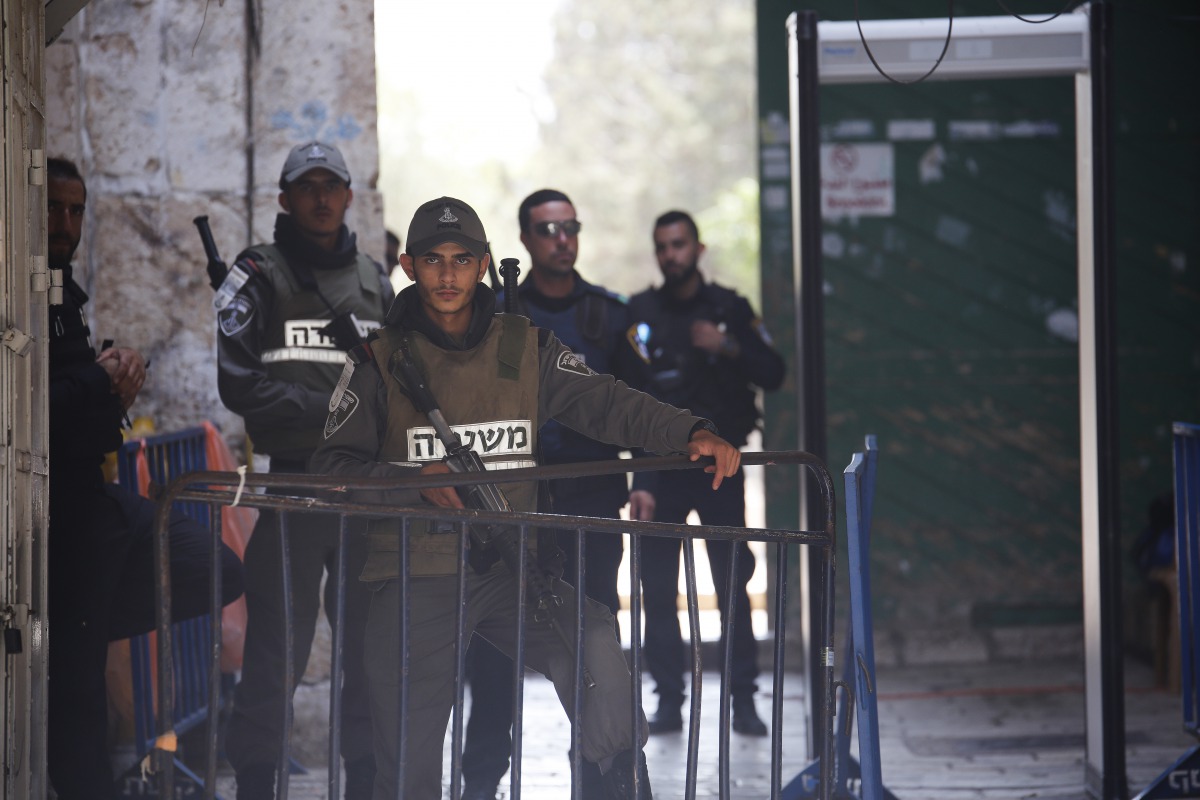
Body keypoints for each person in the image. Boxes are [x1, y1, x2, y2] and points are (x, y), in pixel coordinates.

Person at [311, 196, 743, 799]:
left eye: (462, 259)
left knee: (595, 645)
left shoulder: (525, 346)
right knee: (408, 766)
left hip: (513, 568)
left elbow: (607, 402)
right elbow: (330, 469)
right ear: (407, 266)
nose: (448, 275)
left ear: (484, 264)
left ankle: (621, 788)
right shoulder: (378, 361)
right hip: (416, 576)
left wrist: (690, 431)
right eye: (432, 260)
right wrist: (409, 480)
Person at [46, 157, 245, 799]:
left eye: (76, 210)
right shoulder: (23, 292)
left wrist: (116, 376)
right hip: (53, 508)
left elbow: (74, 393)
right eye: (53, 208)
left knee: (216, 567)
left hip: (91, 501)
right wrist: (98, 380)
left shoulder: (61, 289)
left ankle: (79, 626)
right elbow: (34, 404)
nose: (65, 223)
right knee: (76, 703)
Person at [217, 141, 393, 799]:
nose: (321, 198)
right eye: (307, 187)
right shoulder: (257, 274)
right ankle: (257, 783)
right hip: (293, 487)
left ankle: (366, 781)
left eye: (331, 186)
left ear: (348, 195)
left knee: (370, 655)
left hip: (367, 496)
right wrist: (340, 414)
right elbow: (240, 385)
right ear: (285, 198)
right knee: (275, 656)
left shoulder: (376, 281)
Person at [461, 189, 640, 800]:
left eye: (570, 227)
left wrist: (648, 484)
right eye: (548, 229)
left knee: (595, 646)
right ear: (525, 240)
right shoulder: (495, 314)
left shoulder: (608, 316)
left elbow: (641, 408)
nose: (562, 240)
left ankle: (603, 780)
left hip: (591, 504)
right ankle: (481, 781)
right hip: (511, 506)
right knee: (494, 651)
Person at [626, 210, 785, 737]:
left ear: (698, 249)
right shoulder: (641, 312)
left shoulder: (729, 309)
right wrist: (642, 481)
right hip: (662, 468)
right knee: (657, 588)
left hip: (723, 469)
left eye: (678, 244)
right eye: (662, 246)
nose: (670, 255)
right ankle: (670, 701)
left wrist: (727, 346)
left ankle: (744, 701)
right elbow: (629, 398)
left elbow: (774, 372)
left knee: (732, 583)